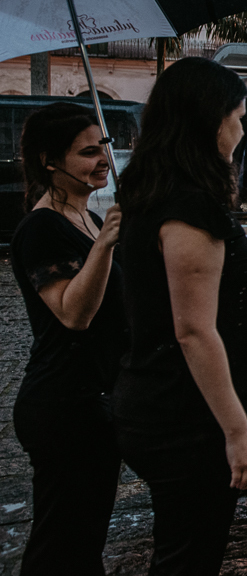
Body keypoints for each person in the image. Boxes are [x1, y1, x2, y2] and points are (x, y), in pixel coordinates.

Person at [113, 58, 247, 575]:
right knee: (188, 559)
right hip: (187, 420)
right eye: (238, 118)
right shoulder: (188, 208)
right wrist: (238, 431)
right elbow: (195, 331)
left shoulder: (153, 194)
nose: (242, 132)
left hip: (159, 403)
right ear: (210, 120)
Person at [10, 103, 127, 576]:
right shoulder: (41, 228)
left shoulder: (88, 220)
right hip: (62, 408)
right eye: (87, 151)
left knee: (83, 540)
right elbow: (74, 314)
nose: (102, 157)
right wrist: (104, 248)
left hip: (93, 402)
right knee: (59, 547)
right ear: (49, 162)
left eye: (103, 145)